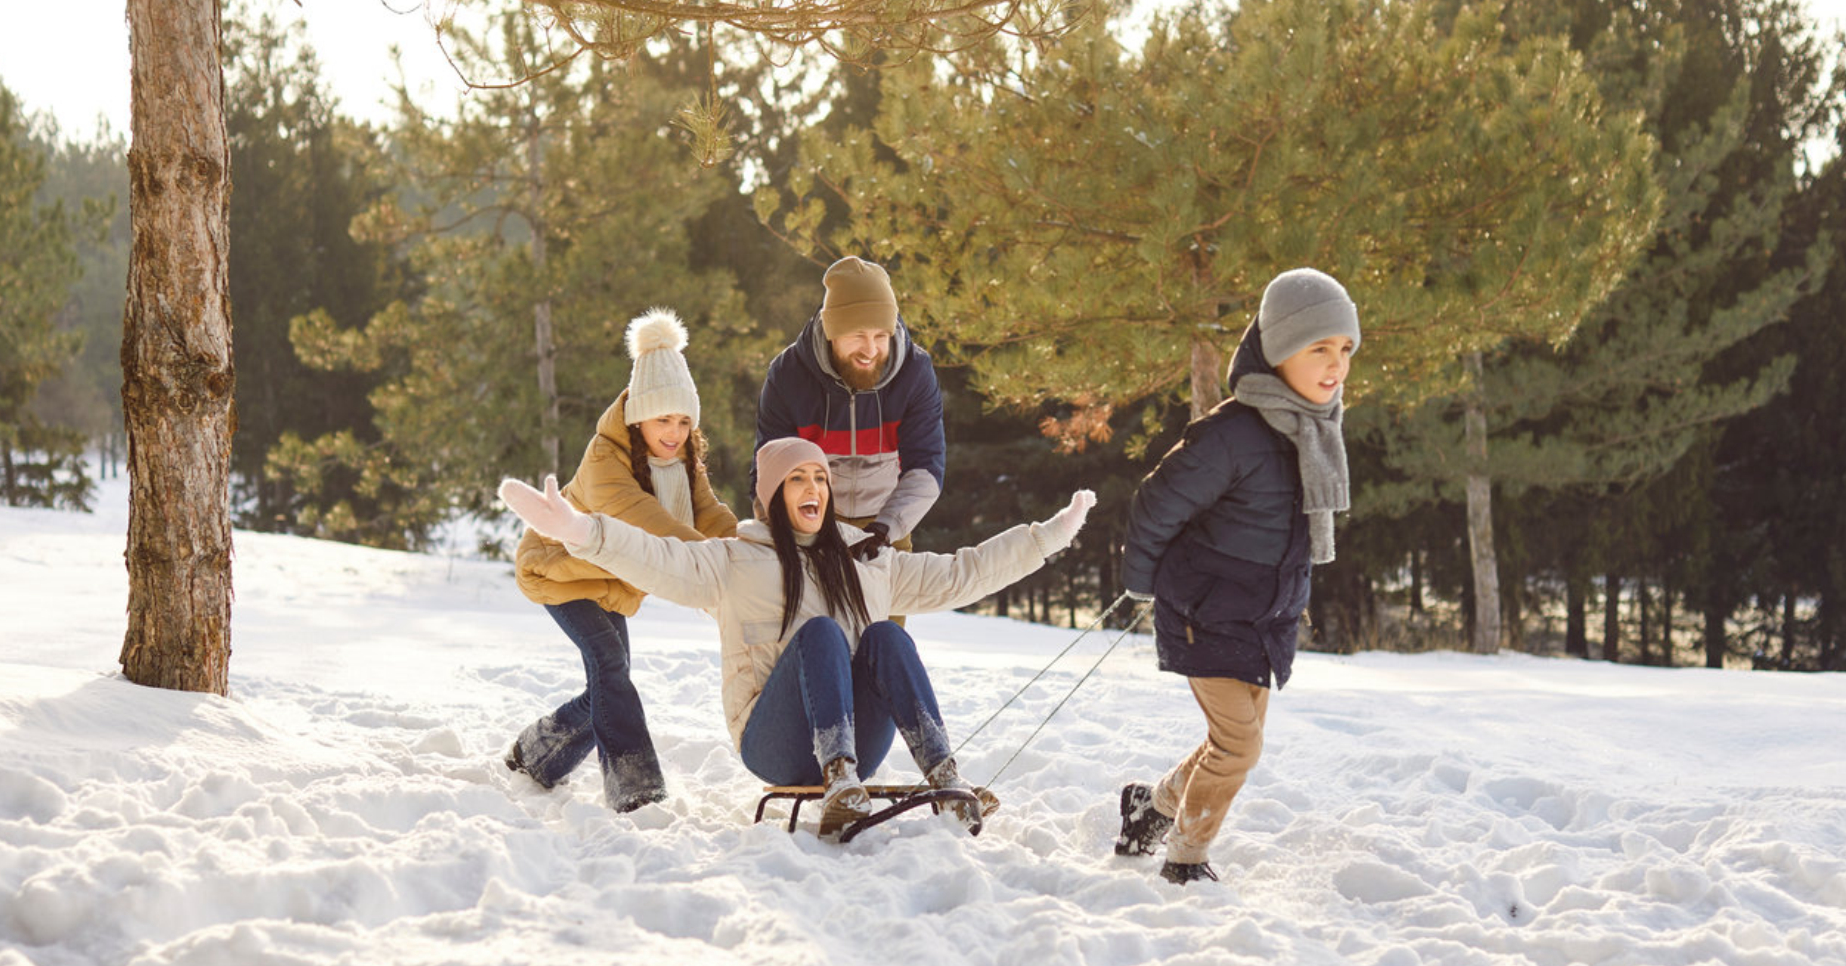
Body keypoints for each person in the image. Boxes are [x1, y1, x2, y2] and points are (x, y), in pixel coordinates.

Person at [499, 437, 1096, 841]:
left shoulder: (868, 560)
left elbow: (965, 572)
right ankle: (837, 776)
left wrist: (1046, 538)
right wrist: (579, 530)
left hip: (861, 741)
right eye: (797, 479)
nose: (813, 487)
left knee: (887, 637)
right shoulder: (733, 560)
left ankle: (944, 777)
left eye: (819, 478)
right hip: (774, 741)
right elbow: (655, 557)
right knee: (820, 635)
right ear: (773, 495)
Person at [1114, 268, 1360, 885]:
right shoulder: (1231, 434)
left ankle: (1152, 807)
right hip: (1205, 611)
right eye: (1319, 348)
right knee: (1239, 747)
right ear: (1278, 350)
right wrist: (1140, 579)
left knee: (1227, 745)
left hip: (1263, 617)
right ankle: (1185, 861)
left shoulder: (1313, 429)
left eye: (1345, 349)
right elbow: (1157, 502)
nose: (1336, 364)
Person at [506, 307, 738, 812]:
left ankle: (536, 754)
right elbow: (648, 522)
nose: (674, 432)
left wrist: (747, 549)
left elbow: (707, 512)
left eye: (684, 421)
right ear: (638, 415)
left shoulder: (681, 459)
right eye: (663, 420)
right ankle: (636, 786)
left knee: (608, 686)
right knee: (611, 668)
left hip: (610, 580)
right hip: (561, 569)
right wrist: (716, 565)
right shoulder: (604, 460)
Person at [754, 255, 944, 562]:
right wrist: (781, 539)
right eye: (858, 335)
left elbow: (926, 466)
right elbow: (769, 467)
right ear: (832, 332)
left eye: (880, 336)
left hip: (888, 519)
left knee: (887, 595)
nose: (870, 350)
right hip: (813, 520)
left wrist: (885, 530)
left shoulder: (915, 373)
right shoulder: (789, 374)